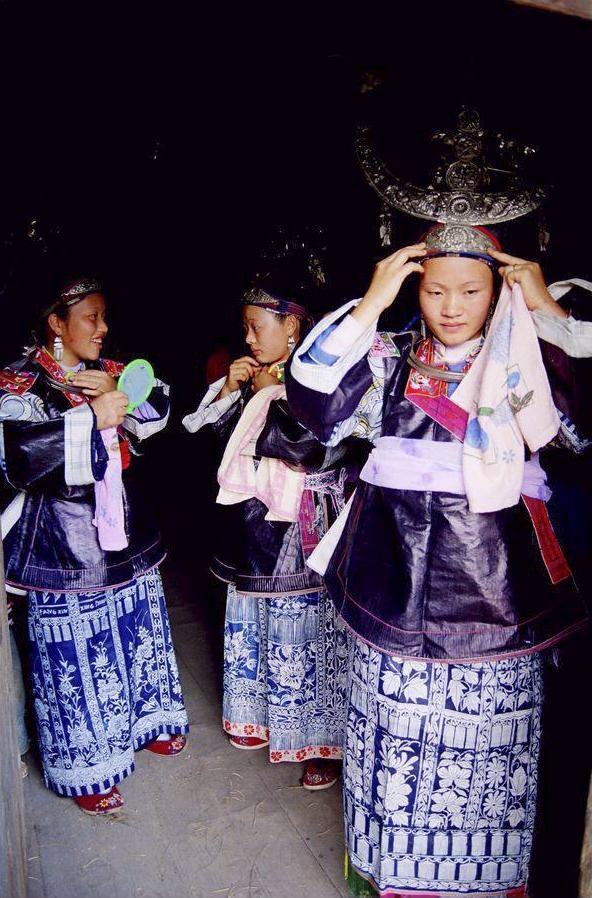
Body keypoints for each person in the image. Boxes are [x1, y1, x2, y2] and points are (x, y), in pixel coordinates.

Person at [286, 224, 591, 896]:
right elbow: (313, 407)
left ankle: (485, 882)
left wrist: (546, 308)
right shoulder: (388, 359)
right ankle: (392, 878)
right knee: (393, 730)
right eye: (434, 290)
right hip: (392, 573)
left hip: (496, 583)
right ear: (413, 288)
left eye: (471, 291)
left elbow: (581, 429)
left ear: (499, 290)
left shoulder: (529, 361)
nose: (452, 307)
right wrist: (371, 302)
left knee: (489, 741)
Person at [0, 277, 189, 815]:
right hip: (61, 538)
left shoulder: (109, 371)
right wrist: (89, 417)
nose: (103, 328)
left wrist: (117, 396)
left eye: (104, 316)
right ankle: (85, 765)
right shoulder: (19, 382)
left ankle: (147, 722)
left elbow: (158, 409)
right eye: (91, 317)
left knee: (134, 628)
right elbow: (17, 458)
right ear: (56, 324)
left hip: (121, 529)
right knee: (76, 649)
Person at [183, 285, 351, 790]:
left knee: (312, 628)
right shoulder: (253, 375)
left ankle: (322, 745)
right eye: (246, 329)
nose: (250, 339)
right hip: (256, 523)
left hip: (308, 523)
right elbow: (220, 447)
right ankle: (266, 720)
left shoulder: (324, 375)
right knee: (263, 620)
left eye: (258, 327)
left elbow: (310, 448)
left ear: (292, 326)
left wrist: (265, 395)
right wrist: (231, 393)